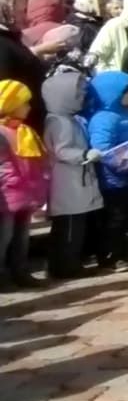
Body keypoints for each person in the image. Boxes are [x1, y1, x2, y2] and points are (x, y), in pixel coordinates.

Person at [43, 65, 103, 278]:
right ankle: (64, 266)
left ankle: (70, 262)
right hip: (66, 181)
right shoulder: (57, 122)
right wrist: (84, 155)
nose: (81, 98)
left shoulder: (71, 119)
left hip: (77, 179)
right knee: (68, 226)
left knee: (76, 225)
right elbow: (61, 150)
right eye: (77, 94)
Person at [85, 70, 128, 266]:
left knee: (127, 216)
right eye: (126, 92)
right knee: (114, 219)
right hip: (113, 179)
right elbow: (102, 150)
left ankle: (122, 251)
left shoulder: (127, 113)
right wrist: (125, 165)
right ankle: (110, 256)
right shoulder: (103, 118)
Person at [0, 80, 49, 288]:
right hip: (8, 196)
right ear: (11, 103)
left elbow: (36, 163)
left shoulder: (25, 132)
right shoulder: (2, 133)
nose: (29, 107)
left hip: (25, 194)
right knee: (4, 236)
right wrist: (17, 188)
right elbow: (3, 166)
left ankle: (20, 271)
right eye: (24, 103)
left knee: (22, 236)